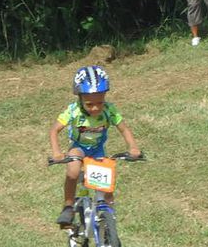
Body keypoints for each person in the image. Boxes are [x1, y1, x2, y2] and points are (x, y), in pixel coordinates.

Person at [50, 65, 141, 227]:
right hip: (79, 147)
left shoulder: (109, 110)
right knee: (73, 171)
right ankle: (68, 206)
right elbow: (54, 130)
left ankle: (109, 223)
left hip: (98, 150)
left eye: (100, 102)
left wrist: (133, 147)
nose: (96, 108)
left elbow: (124, 129)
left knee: (107, 186)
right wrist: (57, 152)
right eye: (89, 104)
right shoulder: (73, 111)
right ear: (80, 99)